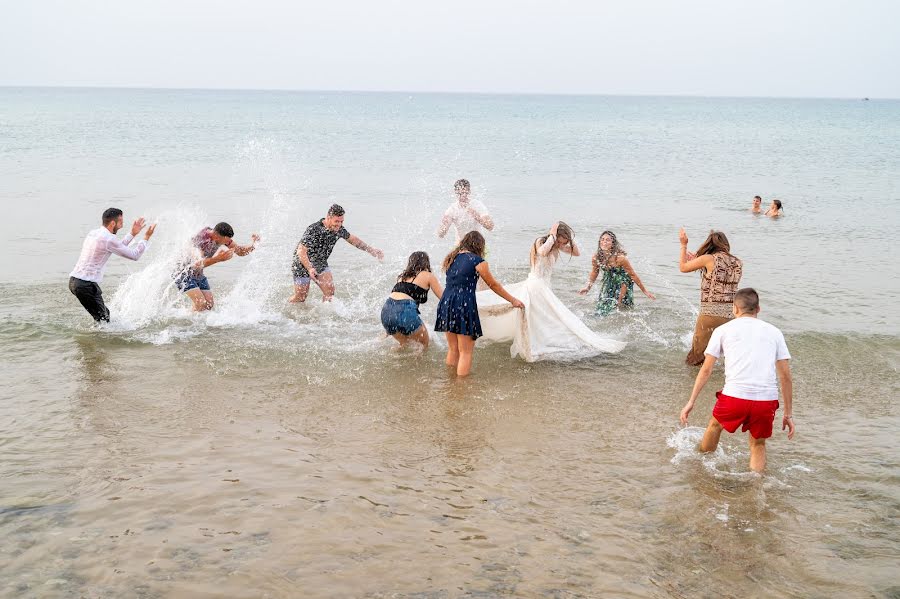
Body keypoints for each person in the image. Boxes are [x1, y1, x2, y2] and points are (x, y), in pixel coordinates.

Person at [679, 288, 794, 473]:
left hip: (734, 397)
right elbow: (785, 376)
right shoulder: (775, 332)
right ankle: (757, 486)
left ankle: (700, 468)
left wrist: (691, 401)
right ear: (758, 309)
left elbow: (706, 369)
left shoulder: (723, 330)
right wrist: (788, 414)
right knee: (758, 444)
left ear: (735, 309)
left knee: (715, 426)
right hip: (765, 400)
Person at [478, 222, 626, 361]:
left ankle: (539, 339)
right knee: (542, 317)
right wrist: (552, 236)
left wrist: (567, 240)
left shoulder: (558, 247)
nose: (562, 244)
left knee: (547, 318)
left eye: (564, 242)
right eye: (560, 241)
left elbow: (577, 253)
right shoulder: (541, 242)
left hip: (545, 287)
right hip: (535, 285)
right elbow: (542, 253)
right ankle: (533, 341)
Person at [435, 231, 523, 376]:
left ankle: (449, 381)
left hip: (446, 302)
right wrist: (513, 300)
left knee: (453, 349)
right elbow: (494, 285)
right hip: (463, 304)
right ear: (479, 246)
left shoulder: (452, 258)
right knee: (466, 352)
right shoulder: (478, 261)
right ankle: (460, 388)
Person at [69, 208, 156, 322]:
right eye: (120, 222)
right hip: (85, 286)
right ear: (113, 223)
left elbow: (116, 246)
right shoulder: (109, 239)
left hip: (74, 282)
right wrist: (146, 237)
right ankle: (97, 339)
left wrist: (133, 234)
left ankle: (93, 338)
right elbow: (135, 255)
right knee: (103, 320)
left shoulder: (94, 233)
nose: (122, 225)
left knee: (105, 315)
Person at [290, 204, 384, 303]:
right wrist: (309, 268)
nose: (339, 224)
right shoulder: (314, 229)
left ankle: (324, 315)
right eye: (336, 221)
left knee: (329, 292)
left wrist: (371, 250)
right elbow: (301, 251)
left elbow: (353, 240)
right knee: (300, 297)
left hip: (319, 262)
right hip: (301, 263)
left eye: (341, 221)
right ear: (328, 218)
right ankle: (288, 309)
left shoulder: (339, 230)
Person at [679, 228, 743, 366]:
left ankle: (692, 383)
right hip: (731, 316)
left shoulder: (708, 259)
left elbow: (683, 268)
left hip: (710, 314)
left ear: (709, 245)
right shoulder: (738, 262)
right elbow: (722, 279)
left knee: (696, 358)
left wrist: (684, 245)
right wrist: (698, 260)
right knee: (726, 357)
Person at [175, 222, 259, 311]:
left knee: (209, 305)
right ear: (216, 236)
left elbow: (240, 251)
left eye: (228, 240)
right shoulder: (203, 240)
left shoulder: (220, 236)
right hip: (183, 272)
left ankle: (190, 318)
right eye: (226, 240)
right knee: (200, 303)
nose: (228, 243)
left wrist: (254, 245)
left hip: (197, 273)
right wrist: (218, 259)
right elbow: (197, 264)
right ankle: (188, 322)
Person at [579, 230, 655, 316]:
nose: (604, 242)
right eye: (602, 239)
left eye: (607, 240)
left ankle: (621, 312)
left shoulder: (620, 258)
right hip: (609, 279)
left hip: (624, 281)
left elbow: (633, 275)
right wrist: (588, 287)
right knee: (603, 303)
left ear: (613, 243)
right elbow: (594, 272)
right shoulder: (596, 257)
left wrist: (645, 291)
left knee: (617, 306)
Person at [381, 252, 444, 349]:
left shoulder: (402, 277)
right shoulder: (428, 275)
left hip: (386, 312)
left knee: (403, 345)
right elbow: (444, 298)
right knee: (424, 346)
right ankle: (419, 364)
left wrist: (389, 327)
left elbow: (395, 303)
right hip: (405, 311)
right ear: (426, 263)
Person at [436, 179, 494, 243]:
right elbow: (440, 235)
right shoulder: (452, 209)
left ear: (469, 192)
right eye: (460, 193)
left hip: (478, 245)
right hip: (460, 246)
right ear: (455, 193)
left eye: (465, 193)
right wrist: (443, 228)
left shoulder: (477, 205)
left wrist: (476, 216)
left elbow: (490, 226)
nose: (463, 196)